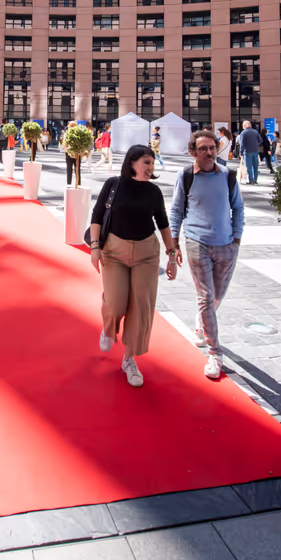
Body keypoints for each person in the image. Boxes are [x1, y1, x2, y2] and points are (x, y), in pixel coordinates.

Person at [89, 145, 177, 387]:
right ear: (132, 163)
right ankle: (109, 328)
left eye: (152, 163)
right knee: (116, 303)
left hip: (147, 254)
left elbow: (164, 224)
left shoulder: (153, 192)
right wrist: (95, 247)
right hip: (114, 251)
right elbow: (96, 217)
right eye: (146, 162)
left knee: (141, 306)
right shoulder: (113, 184)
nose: (151, 167)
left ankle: (129, 360)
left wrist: (171, 256)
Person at [169, 130, 245, 380]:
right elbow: (177, 210)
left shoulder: (228, 175)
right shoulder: (186, 176)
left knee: (216, 298)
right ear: (193, 152)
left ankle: (202, 324)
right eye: (203, 148)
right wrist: (175, 243)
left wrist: (236, 240)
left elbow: (238, 208)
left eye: (212, 147)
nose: (209, 152)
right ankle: (215, 352)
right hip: (196, 242)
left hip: (226, 245)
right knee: (205, 297)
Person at [238, 120, 262, 185]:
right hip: (255, 150)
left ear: (244, 126)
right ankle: (255, 179)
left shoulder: (243, 133)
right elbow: (260, 140)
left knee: (249, 167)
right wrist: (255, 143)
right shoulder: (255, 132)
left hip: (247, 151)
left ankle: (251, 180)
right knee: (255, 166)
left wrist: (241, 153)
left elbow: (242, 144)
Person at [64, 120, 81, 186]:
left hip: (70, 153)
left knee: (69, 168)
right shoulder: (79, 133)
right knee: (77, 169)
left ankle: (69, 183)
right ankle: (78, 183)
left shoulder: (67, 133)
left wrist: (68, 151)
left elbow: (65, 144)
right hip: (76, 153)